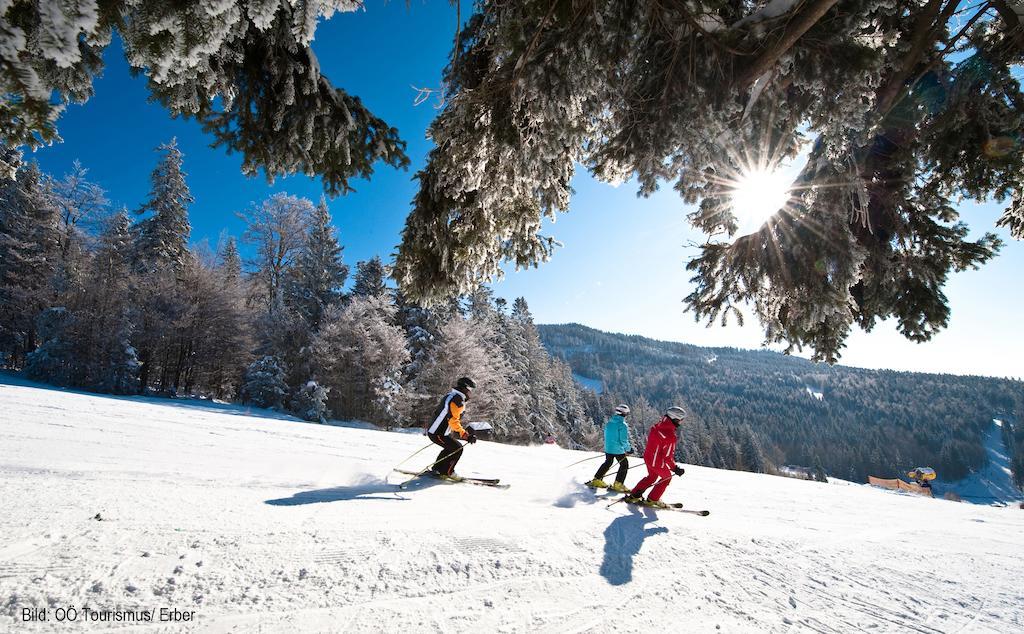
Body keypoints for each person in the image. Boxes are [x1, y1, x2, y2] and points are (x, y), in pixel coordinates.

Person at [623, 406, 687, 509]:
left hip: (648, 457)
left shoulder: (658, 426)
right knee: (666, 478)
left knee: (652, 477)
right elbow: (667, 457)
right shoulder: (670, 435)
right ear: (675, 418)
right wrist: (675, 468)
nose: (681, 422)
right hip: (656, 461)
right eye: (681, 420)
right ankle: (653, 499)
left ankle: (634, 495)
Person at [426, 377, 477, 478]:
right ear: (465, 388)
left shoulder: (452, 396)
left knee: (451, 448)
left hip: (438, 431)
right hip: (438, 433)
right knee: (457, 448)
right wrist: (464, 434)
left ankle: (437, 469)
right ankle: (447, 472)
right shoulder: (457, 400)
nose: (471, 393)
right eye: (471, 390)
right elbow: (453, 420)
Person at [586, 404, 633, 492]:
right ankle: (618, 484)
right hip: (617, 449)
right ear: (624, 413)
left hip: (608, 448)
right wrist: (628, 449)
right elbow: (623, 440)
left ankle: (597, 479)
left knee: (608, 463)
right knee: (624, 464)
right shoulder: (622, 425)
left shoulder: (610, 422)